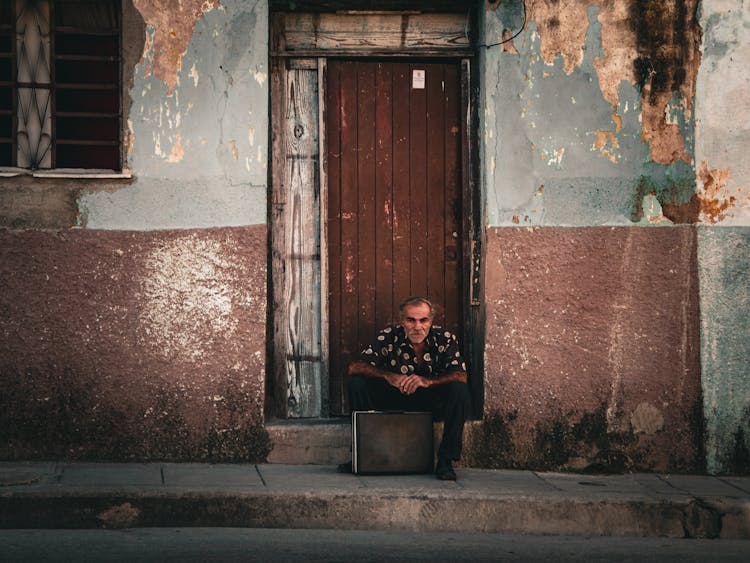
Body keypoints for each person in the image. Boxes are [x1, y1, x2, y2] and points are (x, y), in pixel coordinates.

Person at [340, 296, 471, 480]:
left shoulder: (445, 339)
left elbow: (461, 375)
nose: (417, 327)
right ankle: (363, 455)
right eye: (411, 320)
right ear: (402, 321)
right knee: (357, 382)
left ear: (430, 321)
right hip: (396, 397)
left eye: (423, 320)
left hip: (430, 400)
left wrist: (428, 382)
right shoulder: (389, 336)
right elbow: (355, 366)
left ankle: (446, 461)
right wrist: (388, 376)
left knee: (459, 390)